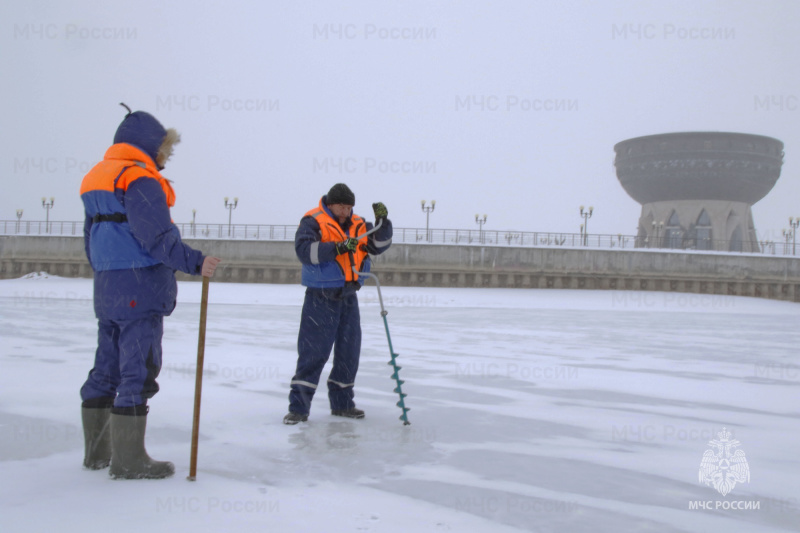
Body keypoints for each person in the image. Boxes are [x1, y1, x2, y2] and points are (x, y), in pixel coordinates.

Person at [79, 104, 221, 479]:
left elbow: (90, 238)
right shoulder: (139, 178)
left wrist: (106, 275)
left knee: (106, 367)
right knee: (137, 369)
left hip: (108, 286)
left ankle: (97, 453)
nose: (165, 157)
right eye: (164, 149)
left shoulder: (98, 177)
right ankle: (128, 461)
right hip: (139, 287)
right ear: (148, 145)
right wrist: (195, 261)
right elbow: (156, 236)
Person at [284, 183, 393, 424]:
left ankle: (343, 404)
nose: (345, 212)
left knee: (348, 352)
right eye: (341, 207)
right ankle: (298, 409)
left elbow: (378, 246)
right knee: (313, 353)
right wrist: (337, 248)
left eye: (349, 207)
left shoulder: (358, 224)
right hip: (320, 297)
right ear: (331, 204)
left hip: (348, 295)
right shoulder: (313, 220)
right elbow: (304, 251)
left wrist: (383, 223)